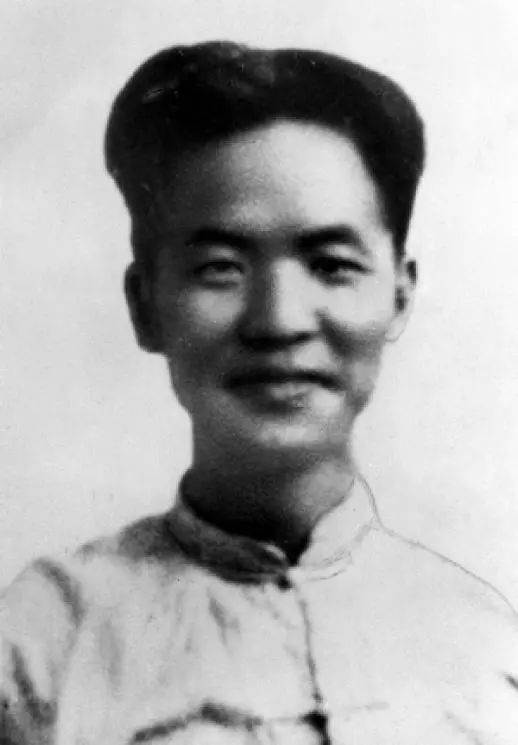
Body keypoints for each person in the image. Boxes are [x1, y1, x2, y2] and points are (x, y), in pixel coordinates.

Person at [1, 40, 517, 745]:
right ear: (145, 304)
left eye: (332, 265)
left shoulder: (490, 646)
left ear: (399, 296)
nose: (278, 321)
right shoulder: (39, 644)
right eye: (220, 267)